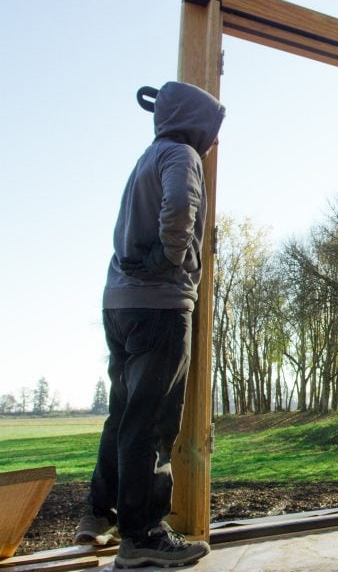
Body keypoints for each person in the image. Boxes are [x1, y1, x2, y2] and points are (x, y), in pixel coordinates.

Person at [75, 81, 225, 568]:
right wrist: (171, 256)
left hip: (119, 304)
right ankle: (142, 537)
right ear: (196, 123)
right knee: (154, 422)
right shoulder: (182, 155)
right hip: (159, 305)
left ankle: (100, 514)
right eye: (213, 130)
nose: (213, 141)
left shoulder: (148, 156)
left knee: (123, 413)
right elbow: (180, 206)